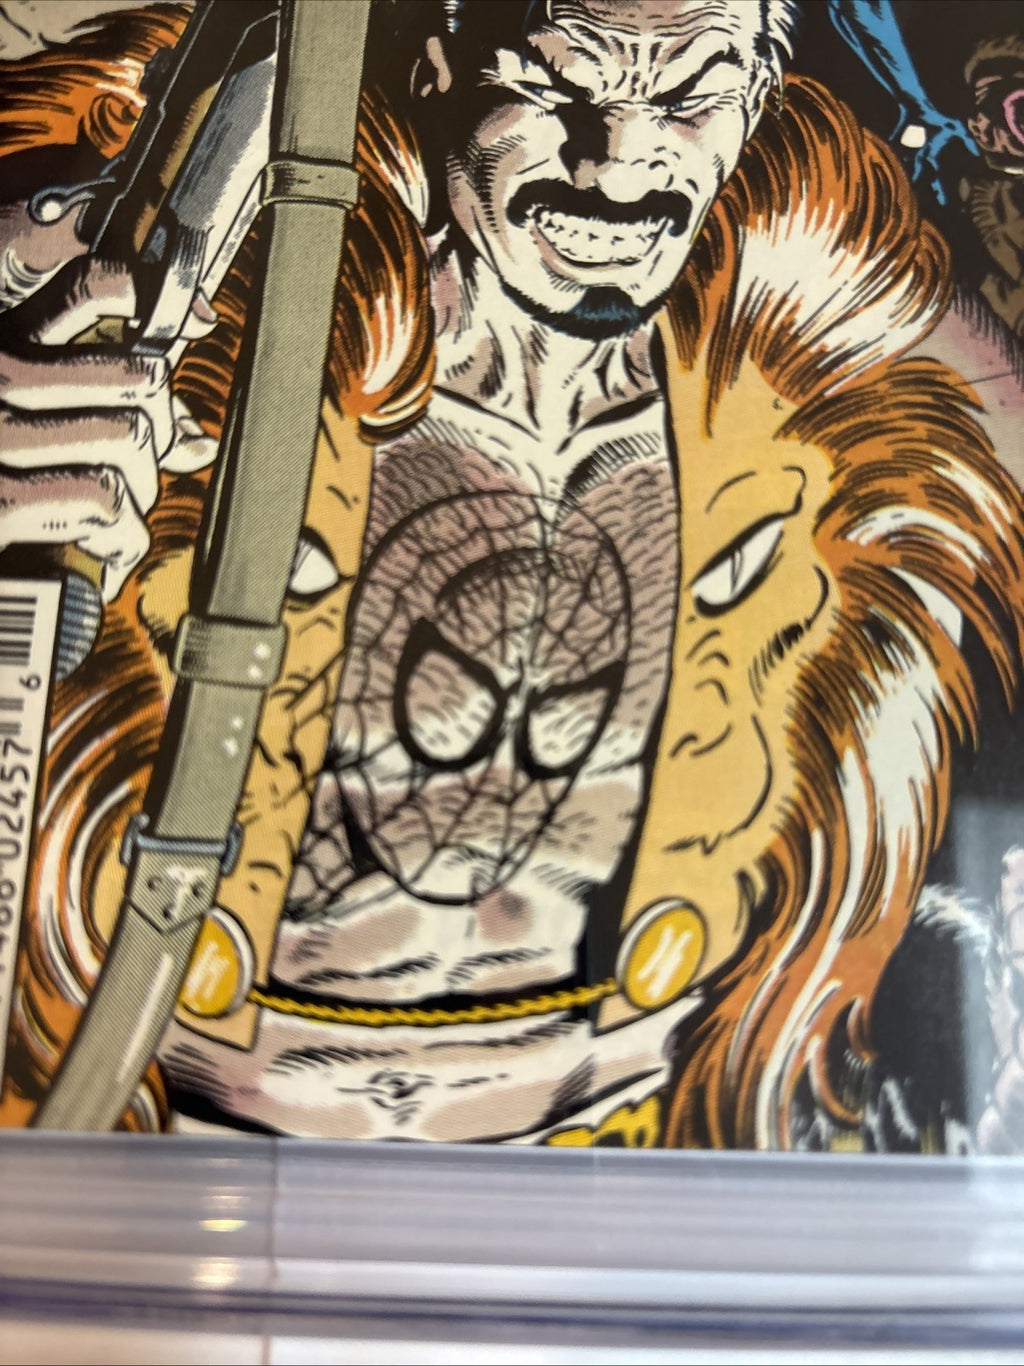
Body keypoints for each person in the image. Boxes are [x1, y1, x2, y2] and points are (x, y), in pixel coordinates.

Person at [2, 0, 1023, 1149]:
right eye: (554, 88)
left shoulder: (848, 382)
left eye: (688, 96)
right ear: (435, 62)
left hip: (617, 1156)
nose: (618, 163)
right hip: (177, 1146)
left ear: (755, 100)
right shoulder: (203, 302)